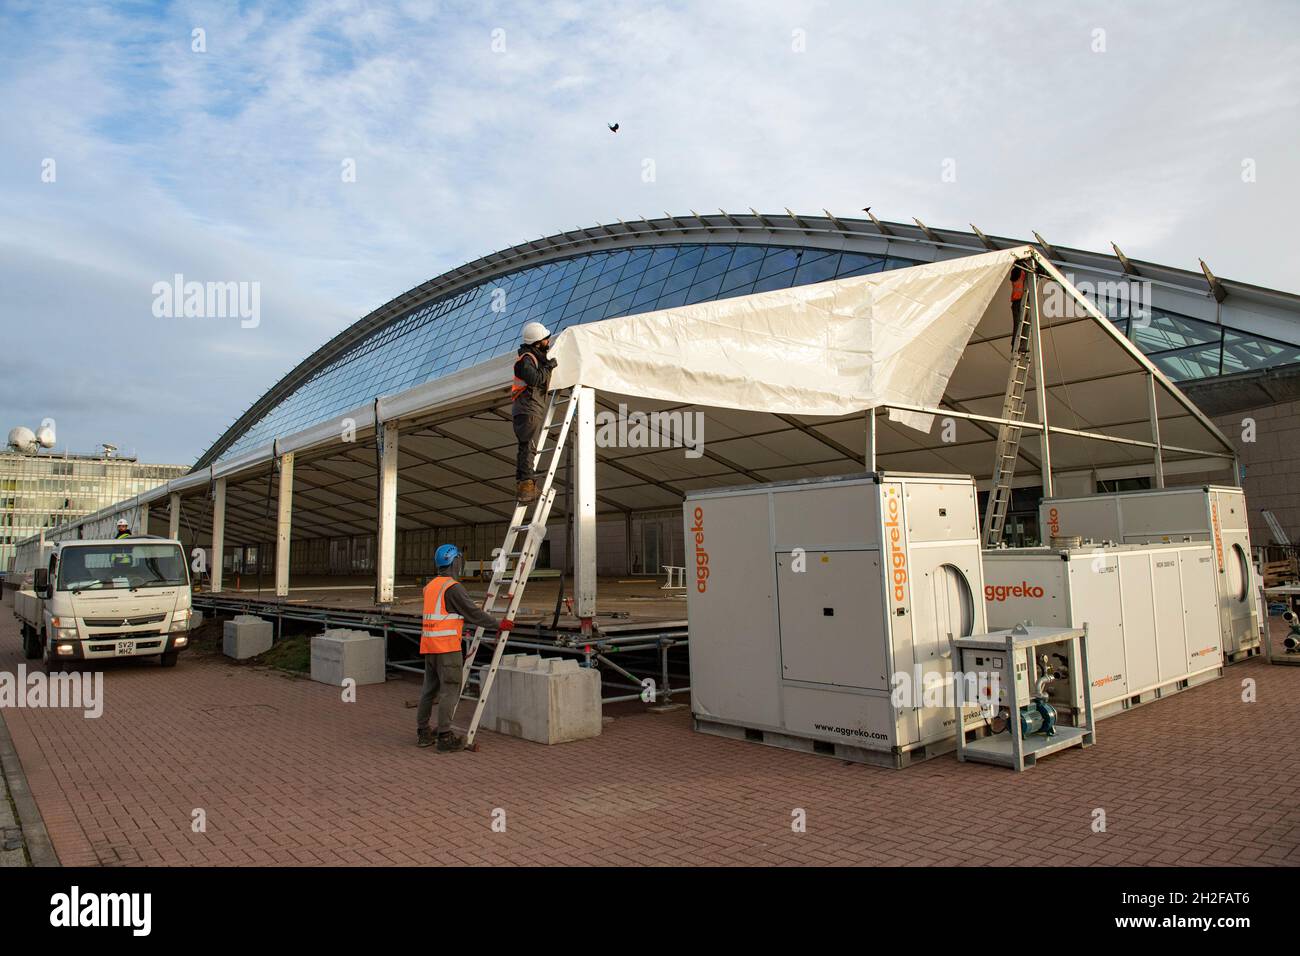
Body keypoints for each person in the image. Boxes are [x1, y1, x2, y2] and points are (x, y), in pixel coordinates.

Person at [417, 544, 511, 752]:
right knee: (450, 691)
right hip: (447, 649)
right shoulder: (453, 588)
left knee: (428, 691)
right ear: (455, 561)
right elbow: (473, 614)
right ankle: (444, 737)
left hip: (430, 645)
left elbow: (450, 612)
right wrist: (499, 624)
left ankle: (423, 733)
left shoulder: (431, 586)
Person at [512, 321, 557, 504]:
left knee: (526, 446)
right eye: (545, 339)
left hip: (528, 407)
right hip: (527, 408)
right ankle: (527, 486)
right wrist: (549, 367)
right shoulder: (526, 360)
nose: (548, 341)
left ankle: (525, 483)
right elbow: (536, 379)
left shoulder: (531, 357)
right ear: (538, 341)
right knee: (528, 447)